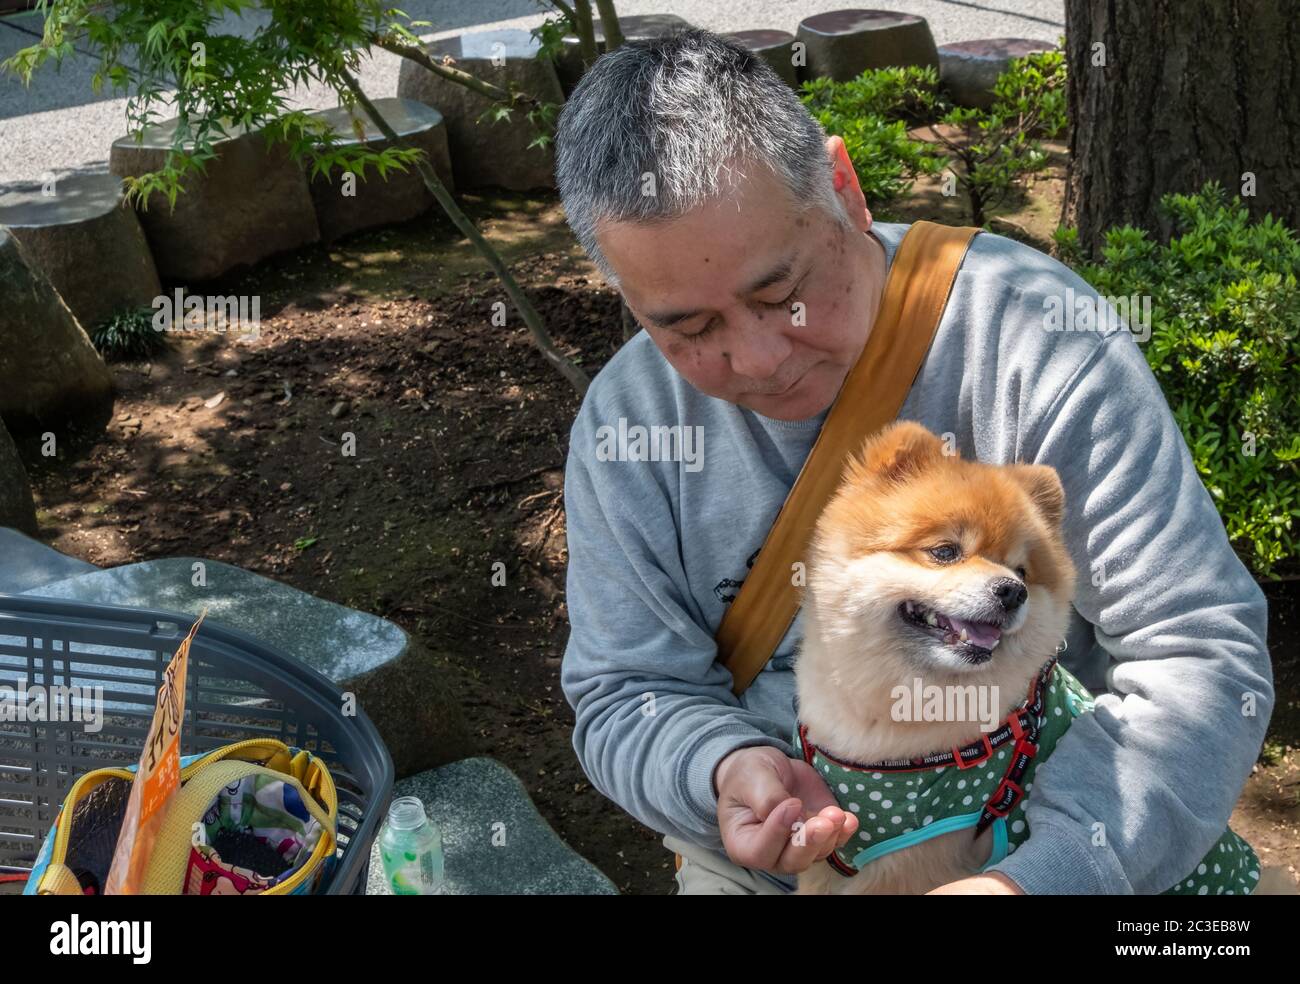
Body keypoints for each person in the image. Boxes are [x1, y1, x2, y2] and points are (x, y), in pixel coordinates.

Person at [555, 29, 1274, 895]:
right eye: (686, 328)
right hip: (773, 855)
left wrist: (1042, 878)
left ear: (846, 191)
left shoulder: (1035, 341)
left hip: (1035, 828)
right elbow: (624, 689)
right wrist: (721, 765)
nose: (757, 359)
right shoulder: (629, 423)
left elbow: (1198, 649)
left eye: (781, 294)